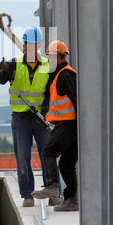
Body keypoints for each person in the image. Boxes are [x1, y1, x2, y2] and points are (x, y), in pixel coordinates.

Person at [0, 26, 60, 207]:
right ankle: (27, 195)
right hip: (21, 118)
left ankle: (53, 192)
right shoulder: (14, 64)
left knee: (48, 155)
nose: (31, 47)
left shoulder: (47, 65)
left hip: (41, 118)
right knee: (23, 156)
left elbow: (51, 91)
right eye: (29, 44)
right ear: (25, 44)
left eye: (35, 44)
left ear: (38, 45)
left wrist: (46, 111)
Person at [31, 40, 79, 211]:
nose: (49, 60)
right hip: (67, 125)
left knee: (48, 151)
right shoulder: (58, 75)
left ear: (60, 57)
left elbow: (77, 99)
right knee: (66, 164)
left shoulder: (66, 74)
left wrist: (79, 126)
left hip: (69, 124)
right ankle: (71, 200)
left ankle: (52, 186)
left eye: (51, 56)